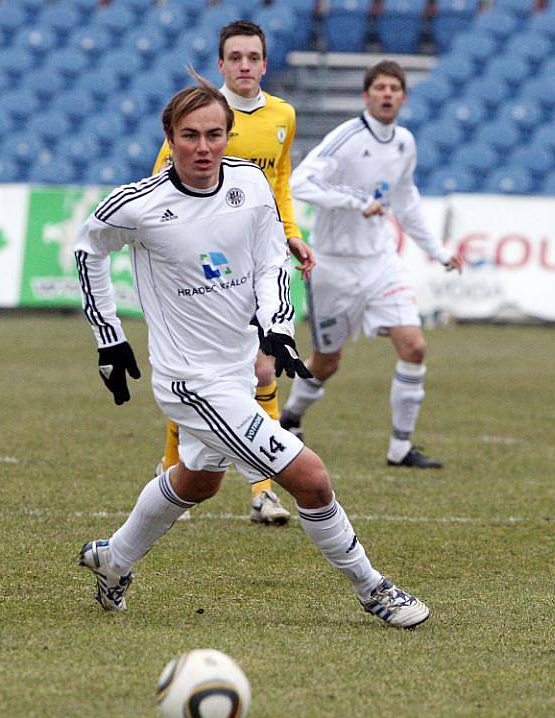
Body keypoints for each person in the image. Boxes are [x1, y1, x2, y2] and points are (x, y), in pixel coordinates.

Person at [74, 74, 430, 629]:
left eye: (215, 135)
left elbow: (271, 260)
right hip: (191, 381)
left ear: (228, 134)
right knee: (310, 477)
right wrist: (109, 335)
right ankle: (373, 588)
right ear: (169, 137)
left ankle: (115, 559)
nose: (203, 148)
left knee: (198, 481)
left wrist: (279, 328)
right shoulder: (139, 204)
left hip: (239, 367)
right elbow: (86, 248)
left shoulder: (249, 185)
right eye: (189, 136)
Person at [152, 20, 314, 525]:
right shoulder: (202, 114)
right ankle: (174, 468)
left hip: (258, 258)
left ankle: (262, 490)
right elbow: (162, 178)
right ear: (220, 65)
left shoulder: (283, 115)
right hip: (204, 264)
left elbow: (280, 180)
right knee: (200, 371)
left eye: (253, 57)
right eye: (235, 57)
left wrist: (290, 231)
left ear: (265, 64)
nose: (245, 65)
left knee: (263, 368)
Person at [280, 60, 463, 469]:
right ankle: (290, 416)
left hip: (381, 263)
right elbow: (300, 182)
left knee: (415, 347)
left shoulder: (404, 143)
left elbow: (406, 200)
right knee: (327, 362)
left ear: (403, 97)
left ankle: (400, 447)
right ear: (366, 95)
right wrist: (356, 201)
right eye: (379, 87)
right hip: (334, 265)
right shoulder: (346, 137)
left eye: (394, 88)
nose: (386, 94)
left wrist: (437, 250)